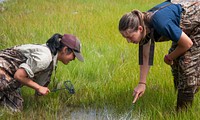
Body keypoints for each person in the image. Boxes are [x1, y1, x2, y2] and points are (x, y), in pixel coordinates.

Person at [118, 0, 200, 111]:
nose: (128, 41)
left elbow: (187, 44)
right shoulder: (143, 23)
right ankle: (180, 95)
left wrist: (169, 57)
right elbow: (146, 56)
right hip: (183, 28)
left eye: (130, 37)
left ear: (140, 29)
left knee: (187, 65)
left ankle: (182, 112)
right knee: (176, 63)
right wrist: (142, 83)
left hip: (196, 24)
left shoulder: (160, 22)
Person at [0, 33, 84, 112]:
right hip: (2, 67)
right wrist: (39, 88)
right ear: (65, 50)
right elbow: (19, 76)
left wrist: (40, 92)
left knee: (16, 108)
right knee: (4, 85)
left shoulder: (51, 60)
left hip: (9, 75)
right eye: (74, 55)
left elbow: (40, 84)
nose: (74, 59)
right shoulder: (45, 57)